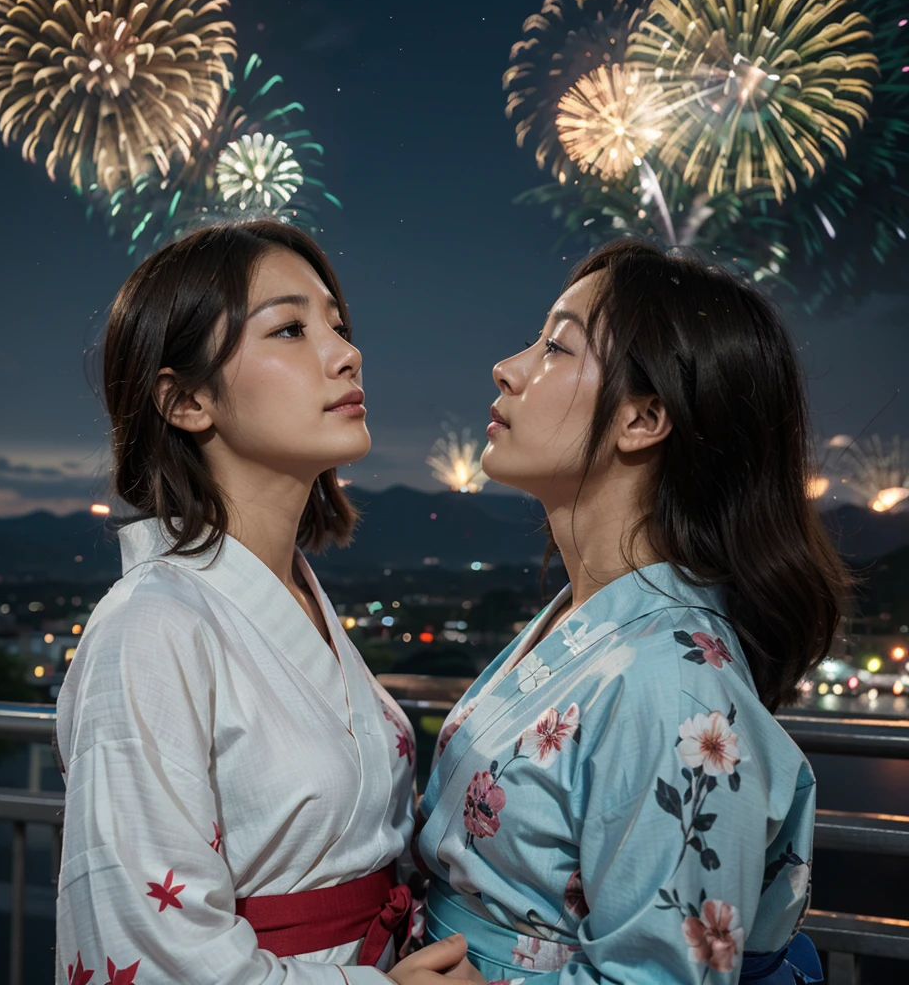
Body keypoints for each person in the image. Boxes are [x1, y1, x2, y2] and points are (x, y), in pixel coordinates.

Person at [417, 239, 847, 984]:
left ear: (644, 418)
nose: (509, 368)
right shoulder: (587, 620)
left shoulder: (672, 681)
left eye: (555, 346)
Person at [55, 221, 472, 985]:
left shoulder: (297, 594)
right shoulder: (149, 627)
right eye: (289, 328)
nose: (346, 354)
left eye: (338, 327)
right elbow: (147, 950)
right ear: (185, 402)